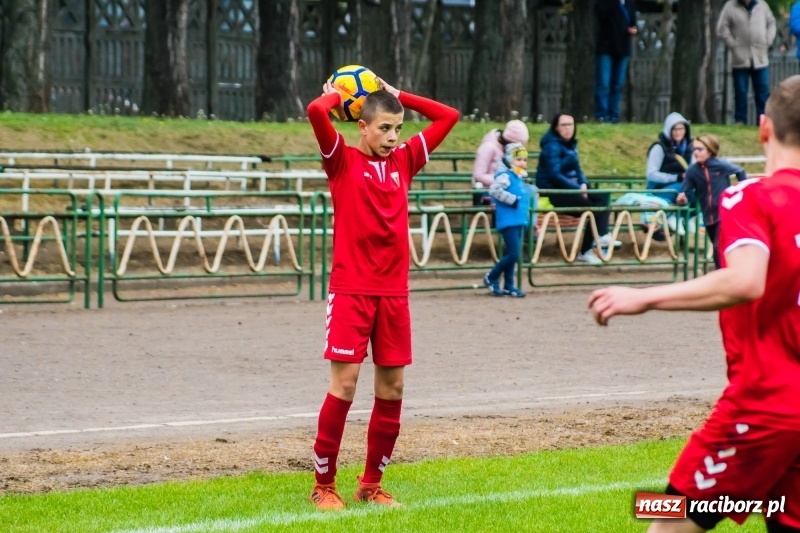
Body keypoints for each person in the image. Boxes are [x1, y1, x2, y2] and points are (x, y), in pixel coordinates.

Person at [589, 75, 800, 533]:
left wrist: (643, 297)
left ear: (764, 128)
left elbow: (746, 280)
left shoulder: (750, 195)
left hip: (766, 408)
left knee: (662, 516)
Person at [305, 78, 459, 510]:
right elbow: (317, 112)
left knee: (392, 389)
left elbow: (449, 116)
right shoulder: (341, 162)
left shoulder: (406, 161)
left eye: (398, 128)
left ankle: (371, 484)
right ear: (362, 127)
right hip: (352, 291)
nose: (393, 137)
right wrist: (341, 92)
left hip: (394, 294)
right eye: (385, 128)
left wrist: (398, 92)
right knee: (346, 385)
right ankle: (324, 485)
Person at [536, 112, 621, 265]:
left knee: (602, 198)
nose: (568, 128)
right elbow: (554, 175)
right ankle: (587, 249)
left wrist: (584, 185)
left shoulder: (570, 144)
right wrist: (577, 188)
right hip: (553, 190)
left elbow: (577, 168)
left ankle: (601, 236)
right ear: (556, 127)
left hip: (571, 187)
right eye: (564, 125)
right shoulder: (552, 146)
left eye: (570, 124)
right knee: (591, 209)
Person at [677, 134, 747, 269]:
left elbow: (740, 171)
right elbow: (685, 195)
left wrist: (740, 190)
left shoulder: (721, 165)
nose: (696, 152)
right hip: (709, 218)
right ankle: (728, 277)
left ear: (709, 150)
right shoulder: (692, 171)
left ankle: (725, 280)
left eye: (699, 149)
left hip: (725, 215)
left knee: (717, 248)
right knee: (719, 251)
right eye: (694, 149)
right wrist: (682, 199)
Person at [482, 143, 534, 297]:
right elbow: (494, 190)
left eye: (525, 160)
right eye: (519, 159)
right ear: (510, 159)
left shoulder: (518, 178)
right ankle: (492, 276)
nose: (522, 163)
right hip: (508, 220)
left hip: (519, 220)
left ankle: (509, 285)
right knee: (513, 253)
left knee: (514, 253)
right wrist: (512, 200)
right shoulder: (505, 176)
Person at [716, 0, 776, 125]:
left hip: (760, 57)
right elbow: (721, 28)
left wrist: (768, 40)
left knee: (762, 92)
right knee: (741, 92)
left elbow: (771, 23)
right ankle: (740, 121)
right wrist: (733, 44)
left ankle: (763, 122)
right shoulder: (730, 6)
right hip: (740, 58)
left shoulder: (762, 5)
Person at [594, 0, 638, 123]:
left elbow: (633, 22)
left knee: (617, 85)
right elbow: (602, 15)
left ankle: (614, 115)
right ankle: (602, 115)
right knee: (603, 83)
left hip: (623, 48)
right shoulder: (606, 3)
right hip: (605, 48)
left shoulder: (629, 3)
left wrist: (633, 30)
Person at [471, 119, 530, 205]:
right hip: (488, 194)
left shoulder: (507, 150)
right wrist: (503, 179)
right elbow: (478, 175)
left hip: (506, 191)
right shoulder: (488, 148)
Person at [646, 112, 694, 204]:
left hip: (684, 186)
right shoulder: (659, 148)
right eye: (675, 129)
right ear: (668, 130)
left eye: (681, 129)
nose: (678, 132)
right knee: (683, 188)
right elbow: (651, 174)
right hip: (659, 189)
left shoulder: (691, 148)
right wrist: (676, 177)